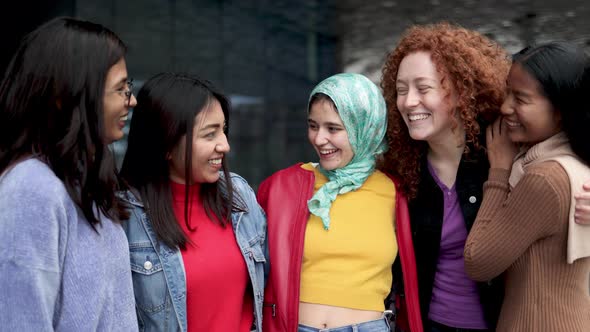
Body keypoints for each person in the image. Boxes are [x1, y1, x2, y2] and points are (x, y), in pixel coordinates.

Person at [0, 17, 138, 330]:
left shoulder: (86, 186)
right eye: (120, 88)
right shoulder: (31, 189)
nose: (132, 100)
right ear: (68, 95)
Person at [259, 73, 422, 332]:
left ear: (364, 128)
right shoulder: (283, 187)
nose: (319, 139)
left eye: (333, 128)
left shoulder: (396, 192)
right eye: (313, 126)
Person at [379, 22, 510, 332]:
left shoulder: (505, 155)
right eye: (401, 90)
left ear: (463, 90)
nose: (409, 102)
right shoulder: (397, 171)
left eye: (423, 88)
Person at [118, 72, 267, 332]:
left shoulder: (239, 196)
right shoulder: (124, 216)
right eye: (209, 135)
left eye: (224, 130)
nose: (225, 145)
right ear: (165, 144)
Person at [464, 42, 590, 331]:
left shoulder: (544, 178)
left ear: (560, 110)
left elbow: (478, 262)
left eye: (520, 98)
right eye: (507, 91)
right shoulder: (574, 162)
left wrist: (498, 172)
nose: (505, 106)